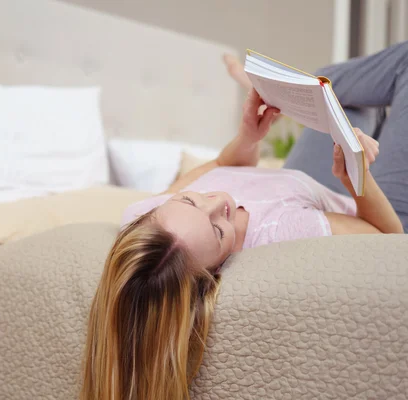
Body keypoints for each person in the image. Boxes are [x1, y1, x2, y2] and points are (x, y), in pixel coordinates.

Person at [80, 42, 408, 400]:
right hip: (372, 204)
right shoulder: (286, 231)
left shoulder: (143, 218)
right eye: (221, 230)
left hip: (300, 185)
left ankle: (259, 84)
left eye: (192, 199)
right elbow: (388, 237)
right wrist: (355, 175)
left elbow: (220, 165)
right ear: (215, 270)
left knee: (332, 87)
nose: (222, 198)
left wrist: (249, 136)